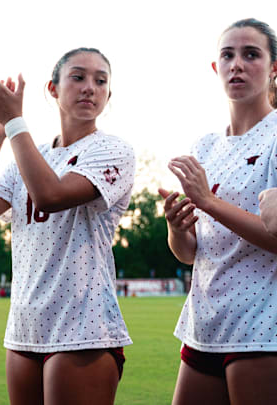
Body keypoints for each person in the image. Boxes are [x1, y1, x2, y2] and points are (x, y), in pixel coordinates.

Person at [0, 47, 134, 405]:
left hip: (83, 326)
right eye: (78, 77)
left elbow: (50, 195)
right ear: (52, 89)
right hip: (25, 326)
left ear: (108, 95)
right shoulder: (32, 152)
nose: (90, 87)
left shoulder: (113, 150)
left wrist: (14, 125)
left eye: (100, 81)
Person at [158, 18, 277, 405]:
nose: (236, 64)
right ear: (215, 68)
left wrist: (209, 202)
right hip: (204, 325)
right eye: (227, 55)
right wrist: (178, 228)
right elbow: (193, 253)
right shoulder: (206, 146)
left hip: (262, 327)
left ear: (274, 67)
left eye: (251, 54)